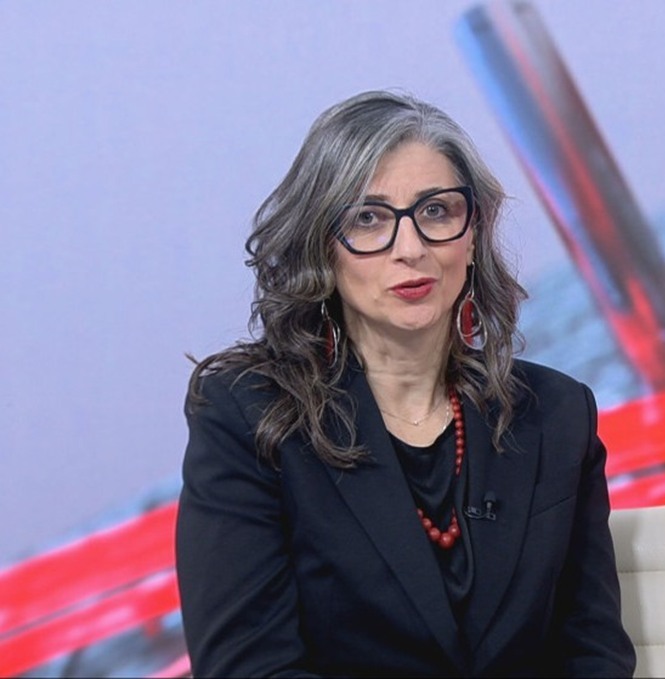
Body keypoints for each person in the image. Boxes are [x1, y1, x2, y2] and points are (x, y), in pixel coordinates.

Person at [175, 89, 636, 678]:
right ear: (322, 248)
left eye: (437, 211)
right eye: (368, 219)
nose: (411, 248)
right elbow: (249, 668)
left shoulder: (556, 414)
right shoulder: (249, 417)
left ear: (473, 235)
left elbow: (593, 653)